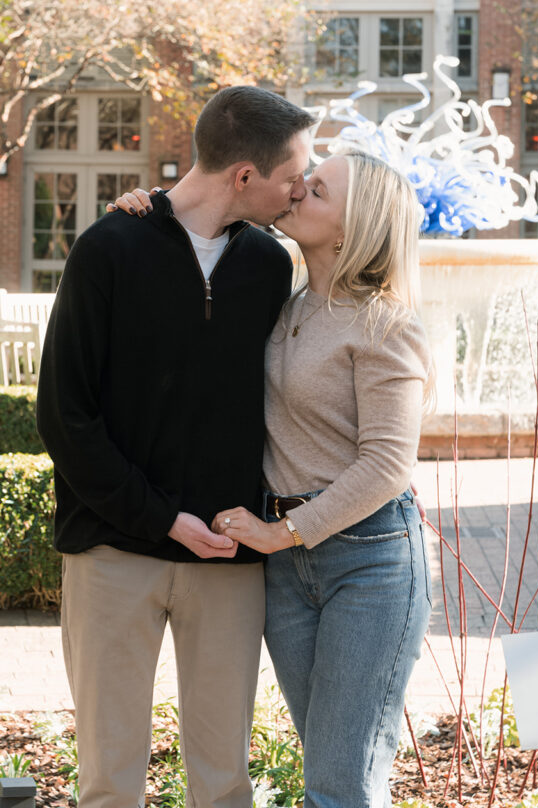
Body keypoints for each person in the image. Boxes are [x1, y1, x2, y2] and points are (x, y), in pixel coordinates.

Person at [36, 85, 313, 808]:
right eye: (292, 176)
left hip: (227, 555)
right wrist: (161, 518)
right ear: (245, 176)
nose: (300, 189)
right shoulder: (109, 248)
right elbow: (64, 415)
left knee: (224, 785)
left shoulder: (271, 266)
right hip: (112, 551)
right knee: (108, 782)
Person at [210, 150, 433, 808]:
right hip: (290, 568)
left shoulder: (385, 323)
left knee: (339, 784)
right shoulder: (285, 307)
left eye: (317, 189)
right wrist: (149, 208)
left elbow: (387, 464)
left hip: (368, 562)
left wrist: (279, 534)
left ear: (351, 227)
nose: (297, 190)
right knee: (333, 772)